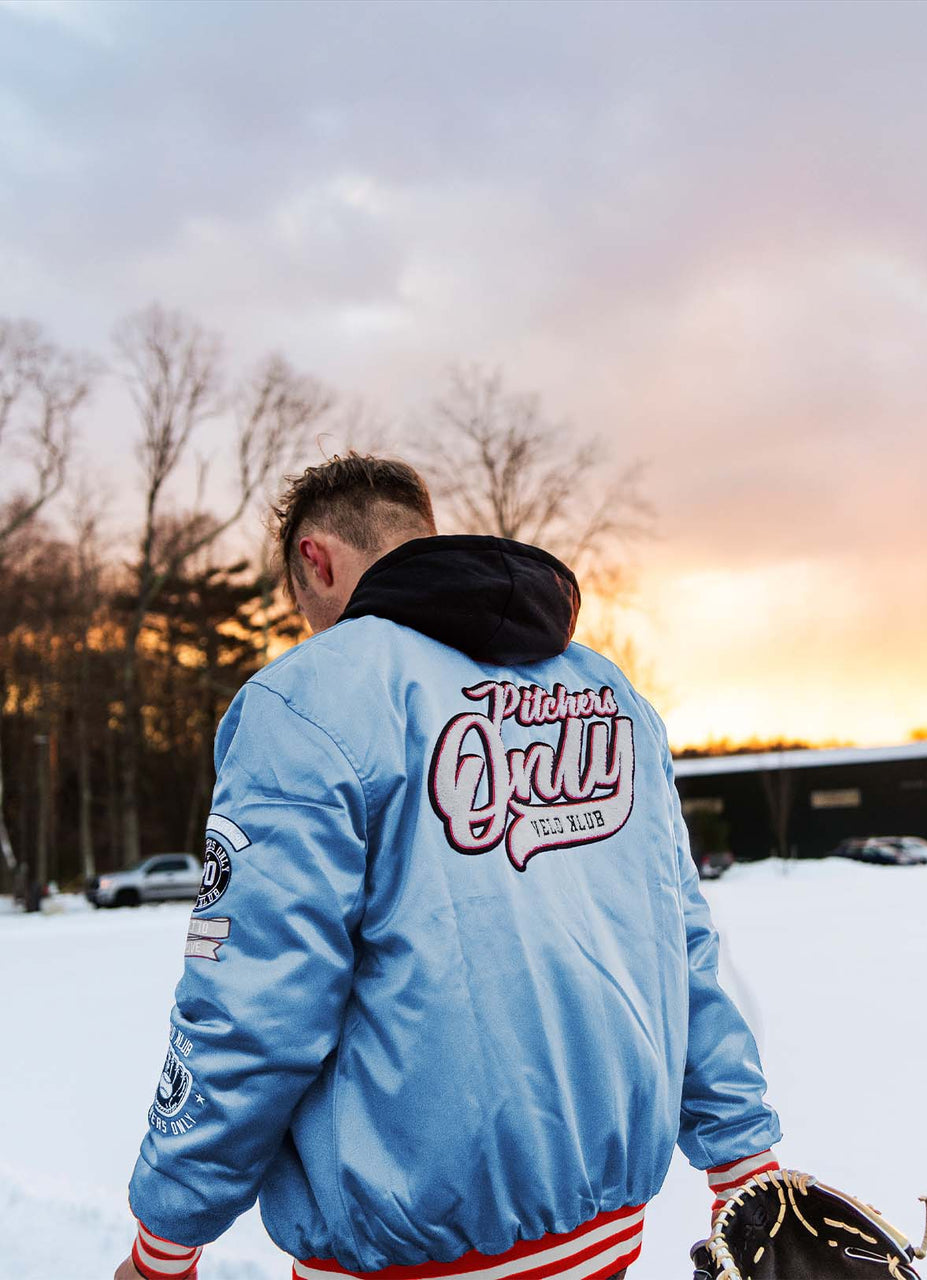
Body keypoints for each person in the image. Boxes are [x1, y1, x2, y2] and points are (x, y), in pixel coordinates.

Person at [117, 453, 780, 1280]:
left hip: (411, 1251)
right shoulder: (610, 695)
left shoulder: (305, 702)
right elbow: (679, 943)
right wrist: (743, 1157)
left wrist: (165, 1242)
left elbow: (256, 997)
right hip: (606, 1237)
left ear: (314, 561)